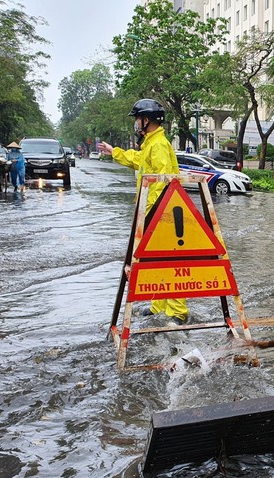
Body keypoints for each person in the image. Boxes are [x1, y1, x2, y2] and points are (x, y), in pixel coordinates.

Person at [98, 99, 189, 323]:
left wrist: (150, 214)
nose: (136, 123)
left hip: (161, 212)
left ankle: (178, 312)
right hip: (155, 210)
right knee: (156, 261)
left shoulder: (157, 145)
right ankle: (158, 305)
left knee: (169, 263)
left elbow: (162, 179)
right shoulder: (151, 143)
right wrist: (114, 152)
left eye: (138, 119)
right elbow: (138, 161)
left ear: (146, 120)